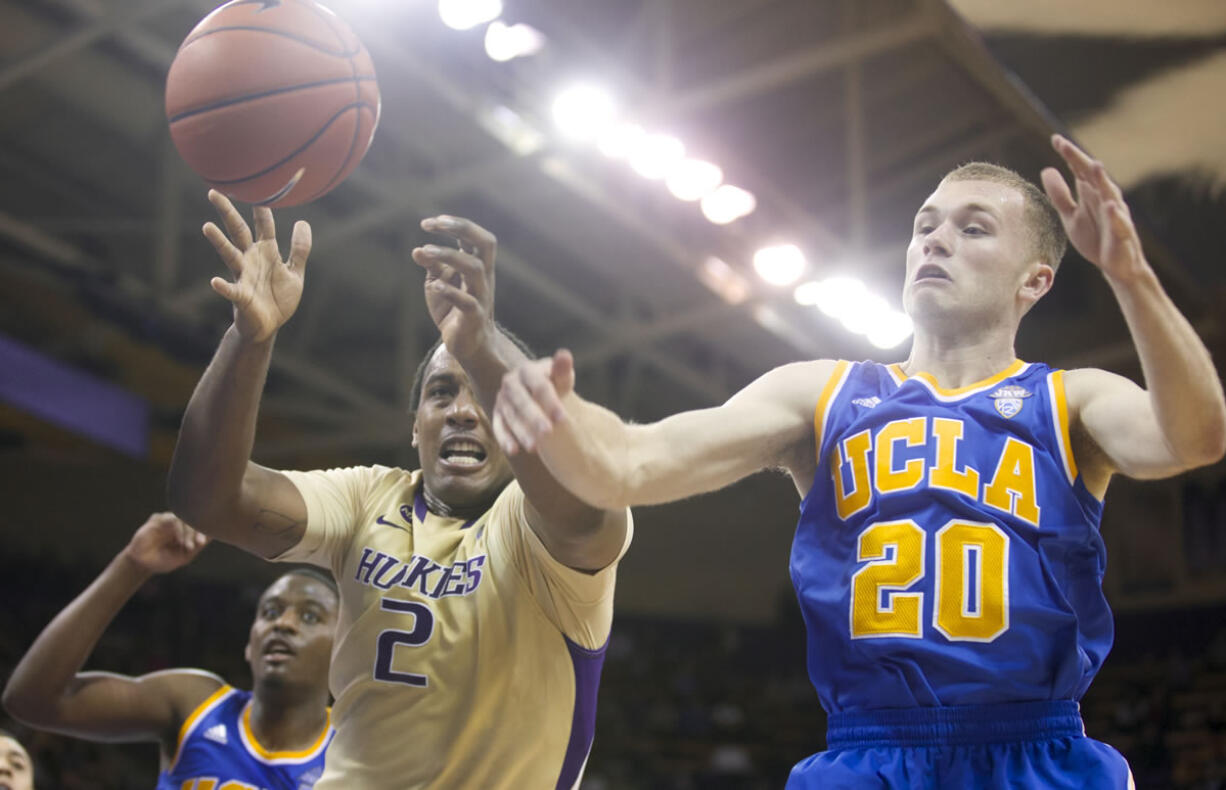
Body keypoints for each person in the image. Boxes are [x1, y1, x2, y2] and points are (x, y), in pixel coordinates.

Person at [489, 134, 1226, 787]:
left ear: (1034, 280)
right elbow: (629, 465)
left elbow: (1194, 438)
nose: (935, 242)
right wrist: (558, 413)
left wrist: (1132, 278)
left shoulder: (1070, 402)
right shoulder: (822, 392)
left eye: (973, 229)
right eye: (924, 227)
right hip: (868, 755)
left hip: (1037, 754)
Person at [165, 191, 631, 788]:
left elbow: (587, 499)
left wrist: (479, 344)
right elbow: (206, 499)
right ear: (415, 428)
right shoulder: (370, 498)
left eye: (483, 396)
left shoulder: (543, 526)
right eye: (441, 393)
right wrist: (249, 340)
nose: (463, 411)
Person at [2, 512, 336, 789]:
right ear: (250, 645)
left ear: (343, 651)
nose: (284, 624)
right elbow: (31, 700)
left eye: (309, 616)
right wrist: (132, 565)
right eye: (271, 612)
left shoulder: (360, 747)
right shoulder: (195, 702)